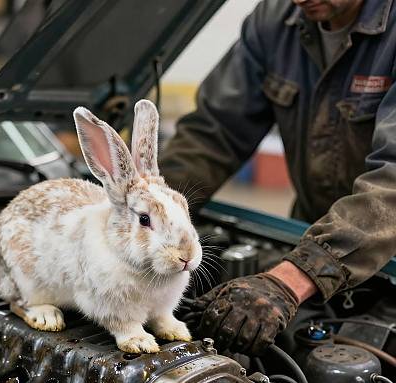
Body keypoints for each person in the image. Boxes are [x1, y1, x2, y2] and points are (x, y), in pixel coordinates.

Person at [160, 0, 396, 355]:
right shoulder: (275, 21)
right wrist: (146, 216)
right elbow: (214, 133)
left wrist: (293, 279)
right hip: (319, 237)